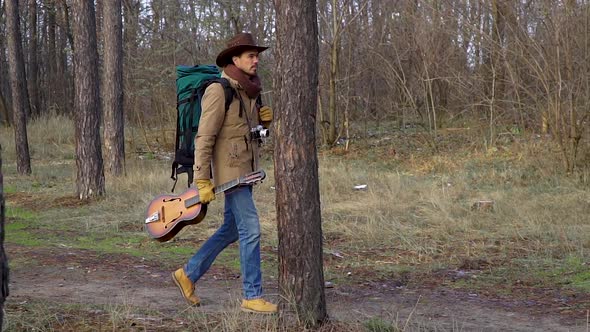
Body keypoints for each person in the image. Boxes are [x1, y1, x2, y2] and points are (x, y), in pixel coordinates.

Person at [171, 32, 277, 314]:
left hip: (247, 171)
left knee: (232, 229)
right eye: (251, 56)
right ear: (235, 59)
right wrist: (202, 178)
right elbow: (204, 137)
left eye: (257, 56)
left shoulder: (251, 89)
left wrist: (266, 121)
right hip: (231, 175)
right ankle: (252, 295)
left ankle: (188, 274)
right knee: (251, 229)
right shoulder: (219, 90)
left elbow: (243, 132)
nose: (256, 61)